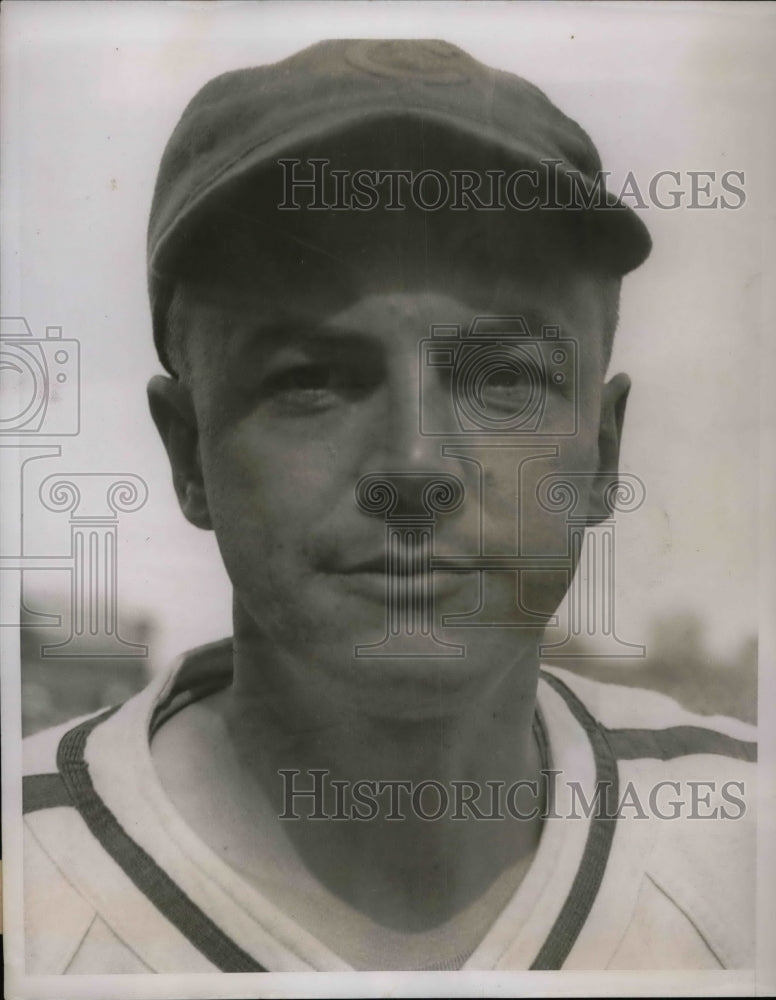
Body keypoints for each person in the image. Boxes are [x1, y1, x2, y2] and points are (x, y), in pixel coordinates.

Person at [22, 39, 756, 974]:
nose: (414, 465)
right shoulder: (30, 872)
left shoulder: (744, 839)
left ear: (603, 452)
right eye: (313, 379)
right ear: (188, 452)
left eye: (500, 380)